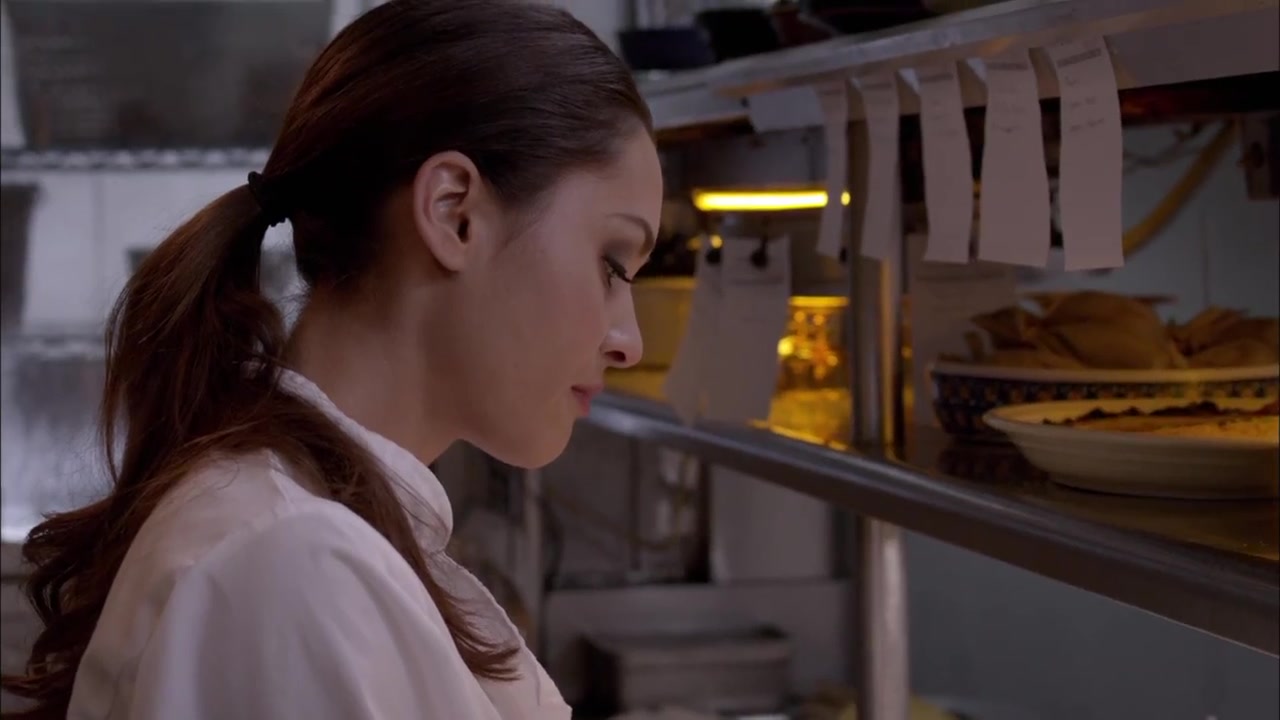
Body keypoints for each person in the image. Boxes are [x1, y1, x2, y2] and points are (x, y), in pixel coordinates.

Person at [1, 0, 660, 717]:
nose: (630, 341)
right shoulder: (292, 561)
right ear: (455, 213)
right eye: (612, 264)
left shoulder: (317, 533)